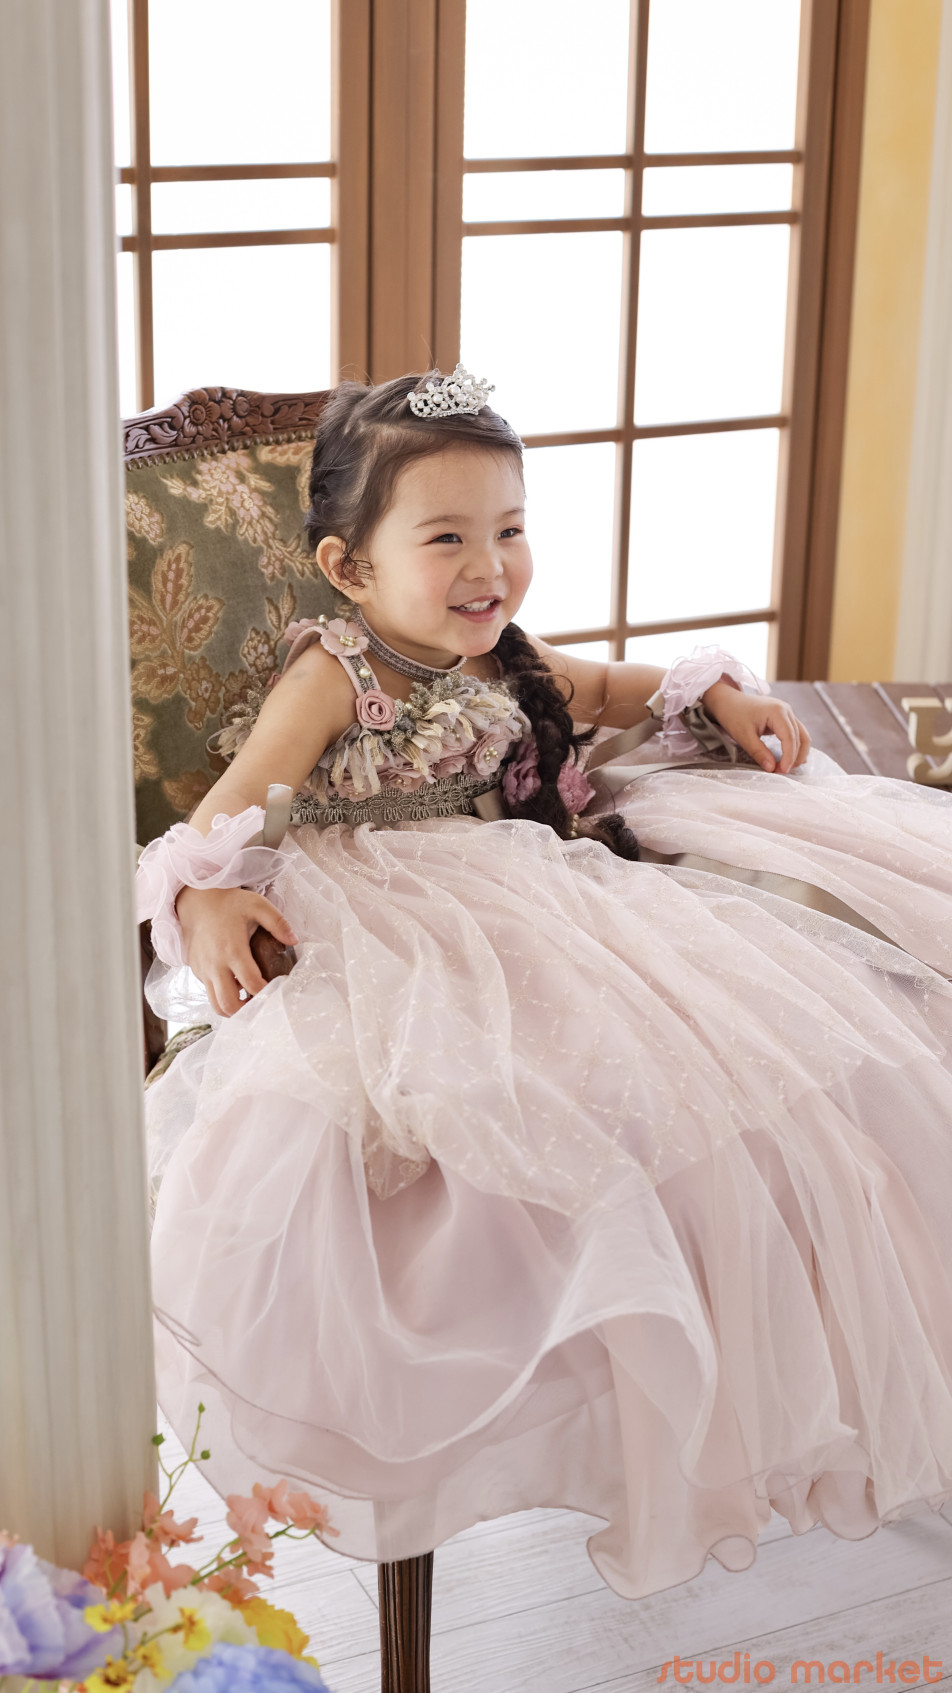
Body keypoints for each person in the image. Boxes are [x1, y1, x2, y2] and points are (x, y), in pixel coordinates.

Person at [136, 366, 952, 1602]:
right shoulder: (336, 673)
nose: (490, 567)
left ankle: (769, 1346)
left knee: (771, 1040)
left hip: (535, 877)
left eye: (510, 530)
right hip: (399, 908)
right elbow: (235, 804)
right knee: (489, 1105)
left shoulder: (504, 655)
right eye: (446, 539)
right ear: (350, 567)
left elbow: (613, 691)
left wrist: (715, 691)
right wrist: (200, 896)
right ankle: (544, 1362)